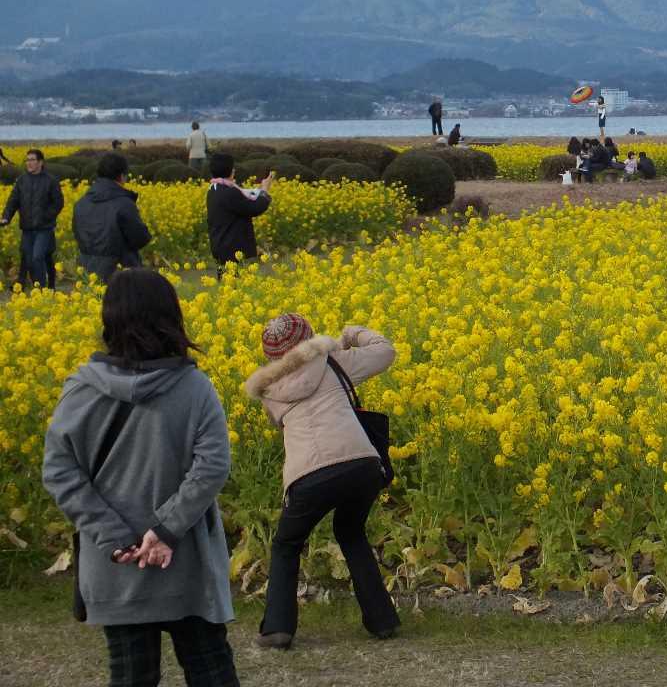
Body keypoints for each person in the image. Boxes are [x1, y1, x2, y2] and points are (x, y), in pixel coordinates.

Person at [42, 268, 239, 687]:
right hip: (188, 563)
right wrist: (165, 531)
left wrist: (116, 538)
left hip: (116, 567)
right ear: (171, 315)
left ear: (109, 320)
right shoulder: (193, 387)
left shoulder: (80, 389)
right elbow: (212, 467)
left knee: (131, 677)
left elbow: (60, 472)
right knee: (211, 671)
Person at [245, 314, 400, 648]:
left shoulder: (269, 389)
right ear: (309, 337)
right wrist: (351, 334)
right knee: (351, 532)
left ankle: (277, 629)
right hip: (361, 465)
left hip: (309, 476)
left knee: (287, 545)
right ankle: (382, 621)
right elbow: (385, 351)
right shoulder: (335, 363)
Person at [73, 154, 152, 282]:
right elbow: (140, 238)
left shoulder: (81, 203)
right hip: (120, 272)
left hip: (87, 271)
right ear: (122, 176)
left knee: (95, 301)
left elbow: (77, 234)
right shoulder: (124, 203)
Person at [1, 149, 64, 290]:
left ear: (40, 162)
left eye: (32, 160)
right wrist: (6, 217)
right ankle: (49, 286)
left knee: (37, 257)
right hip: (27, 229)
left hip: (44, 228)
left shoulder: (51, 180)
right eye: (27, 160)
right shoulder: (22, 180)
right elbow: (13, 201)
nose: (29, 163)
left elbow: (58, 203)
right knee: (33, 259)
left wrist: (46, 217)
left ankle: (41, 290)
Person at [207, 153, 275, 273]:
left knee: (227, 284)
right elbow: (255, 208)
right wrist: (265, 190)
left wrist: (260, 189)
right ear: (230, 171)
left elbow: (244, 198)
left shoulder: (214, 189)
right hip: (232, 249)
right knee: (234, 284)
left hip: (221, 246)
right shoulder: (229, 192)